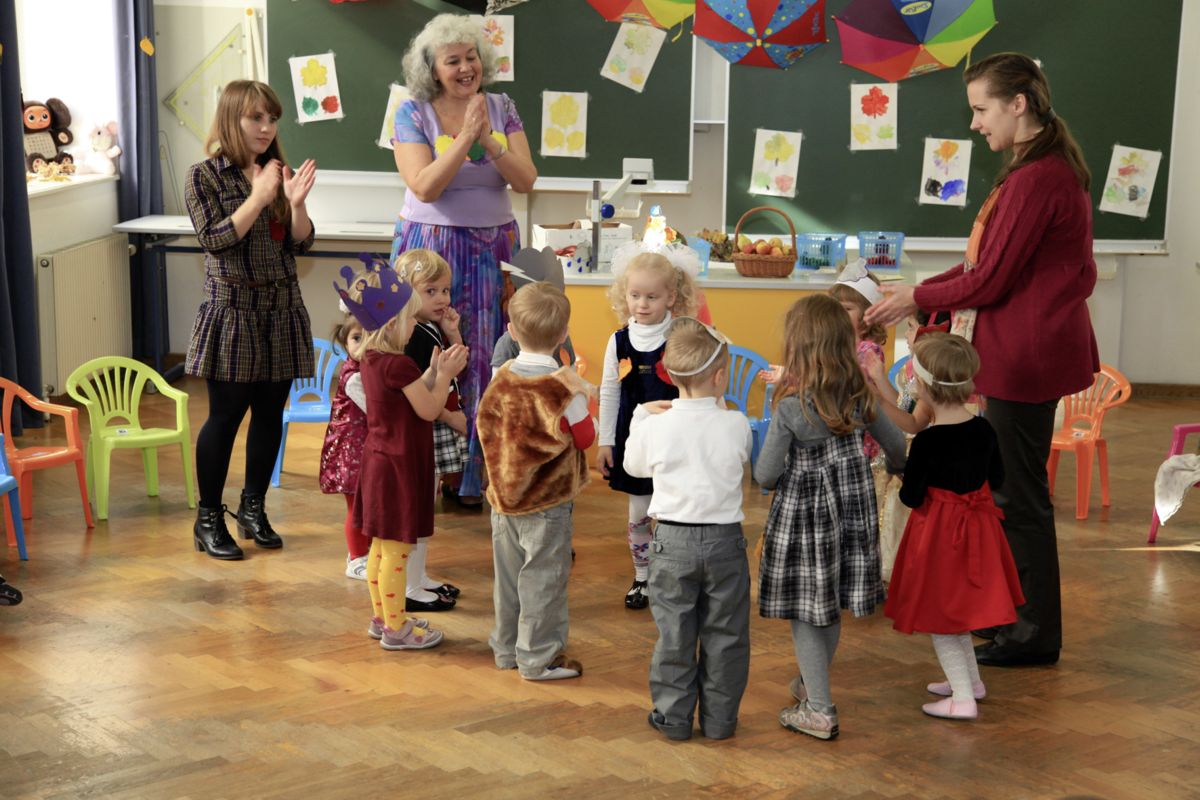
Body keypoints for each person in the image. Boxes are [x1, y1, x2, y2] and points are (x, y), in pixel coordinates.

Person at [865, 52, 1098, 667]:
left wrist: (917, 297)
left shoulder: (1037, 178)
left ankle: (1032, 634)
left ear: (1017, 104)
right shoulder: (1036, 169)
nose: (974, 123)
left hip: (1026, 357)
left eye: (980, 109)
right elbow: (981, 265)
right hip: (1023, 353)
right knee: (1010, 493)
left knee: (1018, 498)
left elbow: (989, 280)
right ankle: (1012, 621)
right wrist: (918, 292)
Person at [392, 13, 538, 506]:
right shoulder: (411, 112)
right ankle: (432, 470)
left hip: (495, 251)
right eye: (452, 60)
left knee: (491, 354)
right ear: (432, 69)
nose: (465, 67)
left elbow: (526, 180)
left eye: (471, 57)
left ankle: (480, 475)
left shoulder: (503, 106)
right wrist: (465, 138)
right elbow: (425, 186)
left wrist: (489, 139)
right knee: (427, 351)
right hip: (433, 251)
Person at [754, 294, 906, 741]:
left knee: (806, 612)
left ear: (797, 348)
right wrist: (898, 470)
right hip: (853, 515)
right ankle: (810, 683)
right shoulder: (861, 398)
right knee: (831, 603)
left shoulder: (791, 408)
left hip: (805, 521)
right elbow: (897, 446)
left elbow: (765, 474)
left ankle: (819, 709)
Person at [185, 79, 317, 561]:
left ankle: (252, 508)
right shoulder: (204, 176)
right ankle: (208, 519)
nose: (266, 127)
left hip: (280, 310)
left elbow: (301, 242)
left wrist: (295, 203)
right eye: (256, 117)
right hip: (233, 312)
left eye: (272, 118)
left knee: (269, 415)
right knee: (225, 417)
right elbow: (216, 239)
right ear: (231, 118)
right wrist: (259, 197)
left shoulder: (276, 172)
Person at [623, 317, 753, 742]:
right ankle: (720, 722)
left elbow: (633, 466)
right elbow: (741, 455)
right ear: (720, 377)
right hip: (725, 542)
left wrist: (640, 415)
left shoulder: (656, 425)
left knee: (674, 636)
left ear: (669, 374)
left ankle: (674, 719)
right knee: (727, 636)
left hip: (672, 543)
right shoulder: (735, 423)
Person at [884, 333, 1024, 721]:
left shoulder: (927, 442)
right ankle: (971, 683)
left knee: (943, 618)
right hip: (980, 530)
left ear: (926, 387)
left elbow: (911, 497)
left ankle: (962, 699)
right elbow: (997, 477)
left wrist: (903, 475)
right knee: (959, 611)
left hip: (940, 537)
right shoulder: (984, 429)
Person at [334, 260, 468, 651]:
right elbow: (428, 409)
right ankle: (397, 629)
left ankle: (383, 618)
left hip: (380, 462)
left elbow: (410, 395)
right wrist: (445, 376)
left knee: (380, 547)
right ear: (393, 323)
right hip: (399, 465)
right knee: (396, 551)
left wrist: (433, 373)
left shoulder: (372, 359)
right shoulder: (398, 363)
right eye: (410, 320)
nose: (413, 327)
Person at [476, 282, 594, 681]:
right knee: (544, 580)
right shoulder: (564, 388)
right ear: (563, 335)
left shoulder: (501, 375)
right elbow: (585, 438)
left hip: (503, 499)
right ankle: (538, 658)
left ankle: (506, 649)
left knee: (508, 581)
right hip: (547, 504)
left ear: (511, 331)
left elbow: (488, 424)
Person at [597, 244, 699, 610]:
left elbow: (699, 385)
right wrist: (605, 441)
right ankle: (642, 576)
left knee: (673, 514)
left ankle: (673, 575)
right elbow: (609, 391)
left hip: (675, 442)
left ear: (671, 296)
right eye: (635, 295)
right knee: (638, 513)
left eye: (652, 297)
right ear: (624, 294)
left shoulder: (682, 335)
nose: (641, 304)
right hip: (635, 443)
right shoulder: (618, 341)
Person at [397, 248, 465, 611]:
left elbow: (455, 368)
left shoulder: (429, 328)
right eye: (431, 291)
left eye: (446, 290)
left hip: (432, 427)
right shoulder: (411, 337)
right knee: (416, 508)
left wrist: (452, 333)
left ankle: (418, 577)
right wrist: (451, 418)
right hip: (425, 426)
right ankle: (408, 585)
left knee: (426, 507)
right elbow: (421, 395)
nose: (442, 299)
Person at [318, 301, 370, 580]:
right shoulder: (353, 377)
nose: (362, 344)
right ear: (344, 341)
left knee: (366, 505)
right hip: (351, 453)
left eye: (369, 337)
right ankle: (356, 558)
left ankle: (365, 551)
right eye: (356, 338)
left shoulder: (368, 370)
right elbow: (376, 410)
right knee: (356, 507)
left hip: (364, 450)